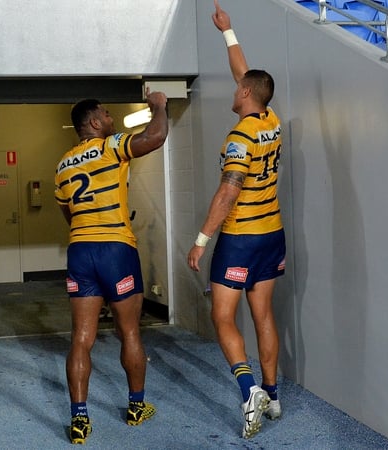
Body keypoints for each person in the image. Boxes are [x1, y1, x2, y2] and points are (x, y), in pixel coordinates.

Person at [187, 0, 285, 440]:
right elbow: (246, 73)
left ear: (245, 94)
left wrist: (202, 239)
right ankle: (273, 392)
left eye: (237, 88)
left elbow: (228, 191)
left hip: (241, 237)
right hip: (273, 235)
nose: (233, 90)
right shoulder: (270, 119)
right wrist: (228, 32)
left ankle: (249, 392)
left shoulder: (240, 136)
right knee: (262, 314)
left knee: (222, 316)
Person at [55, 90, 168, 445]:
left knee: (82, 338)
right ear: (93, 122)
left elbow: (67, 213)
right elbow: (156, 136)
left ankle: (79, 420)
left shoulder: (62, 164)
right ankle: (136, 406)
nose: (110, 117)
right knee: (130, 331)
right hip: (116, 248)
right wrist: (159, 106)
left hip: (80, 249)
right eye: (105, 114)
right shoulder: (110, 146)